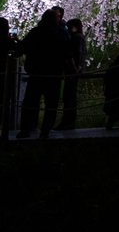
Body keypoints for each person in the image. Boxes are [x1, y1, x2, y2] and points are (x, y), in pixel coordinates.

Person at [16, 8, 76, 139]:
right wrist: (73, 70)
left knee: (30, 103)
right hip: (54, 74)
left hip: (36, 73)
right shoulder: (61, 34)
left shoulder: (36, 33)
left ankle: (25, 129)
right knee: (51, 105)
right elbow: (68, 54)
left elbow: (21, 48)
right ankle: (45, 131)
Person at [56, 17, 87, 130]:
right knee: (69, 97)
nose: (67, 29)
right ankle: (68, 122)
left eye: (69, 27)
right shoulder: (79, 38)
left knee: (69, 97)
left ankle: (67, 122)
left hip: (72, 72)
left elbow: (77, 55)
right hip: (73, 71)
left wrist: (75, 68)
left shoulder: (76, 38)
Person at [103, 50, 119, 130]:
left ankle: (110, 124)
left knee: (113, 112)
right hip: (118, 94)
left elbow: (106, 80)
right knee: (118, 110)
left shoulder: (112, 68)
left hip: (111, 94)